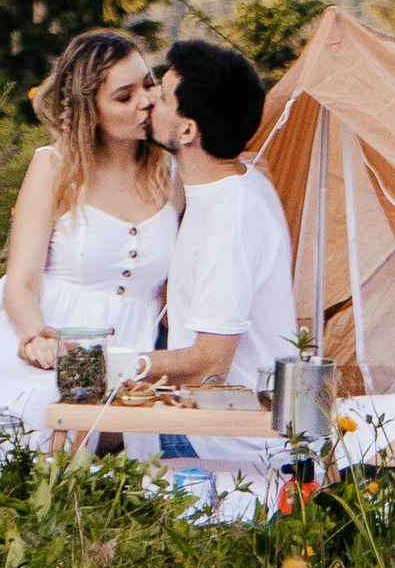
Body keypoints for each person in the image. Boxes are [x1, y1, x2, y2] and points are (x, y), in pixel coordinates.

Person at [0, 28, 179, 448]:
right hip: (47, 334)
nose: (145, 100)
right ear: (92, 109)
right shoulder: (55, 166)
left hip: (131, 350)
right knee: (37, 429)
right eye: (123, 96)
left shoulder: (174, 172)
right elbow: (21, 281)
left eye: (149, 83)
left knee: (111, 434)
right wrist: (37, 337)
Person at [123, 36, 297, 414]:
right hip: (206, 414)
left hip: (221, 434)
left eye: (163, 97)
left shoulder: (229, 222)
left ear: (188, 131)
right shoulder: (234, 181)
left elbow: (210, 364)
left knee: (54, 429)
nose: (148, 100)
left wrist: (118, 364)